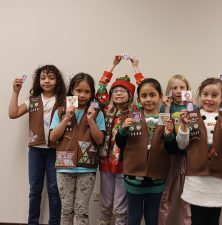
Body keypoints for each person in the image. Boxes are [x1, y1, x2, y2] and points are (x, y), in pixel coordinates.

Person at [177, 78, 222, 225]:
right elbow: (182, 145)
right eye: (205, 94)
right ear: (199, 96)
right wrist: (183, 126)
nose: (209, 99)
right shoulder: (190, 115)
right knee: (197, 220)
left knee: (213, 220)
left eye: (214, 95)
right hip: (196, 178)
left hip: (218, 179)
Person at [115, 78, 179, 225]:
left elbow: (172, 150)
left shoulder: (165, 119)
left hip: (157, 179)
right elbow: (120, 143)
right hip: (133, 178)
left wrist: (169, 135)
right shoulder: (133, 117)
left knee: (152, 217)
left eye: (152, 95)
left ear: (161, 97)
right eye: (144, 96)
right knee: (134, 216)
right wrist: (123, 130)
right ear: (139, 99)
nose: (148, 99)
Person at [8, 65, 66, 225]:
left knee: (55, 190)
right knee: (35, 189)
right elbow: (13, 114)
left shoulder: (64, 100)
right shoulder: (33, 100)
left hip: (56, 150)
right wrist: (15, 92)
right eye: (43, 78)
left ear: (57, 80)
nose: (47, 81)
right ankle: (32, 222)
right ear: (38, 80)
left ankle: (54, 222)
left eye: (51, 77)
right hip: (36, 150)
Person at [49, 73, 105, 225]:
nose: (82, 95)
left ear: (92, 93)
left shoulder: (97, 112)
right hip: (64, 168)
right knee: (66, 211)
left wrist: (91, 120)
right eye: (78, 90)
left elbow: (99, 140)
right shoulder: (61, 111)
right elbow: (53, 138)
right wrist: (66, 118)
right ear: (71, 91)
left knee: (81, 212)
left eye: (87, 92)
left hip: (86, 169)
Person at [96, 55, 144, 225]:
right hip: (105, 163)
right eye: (115, 91)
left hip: (125, 164)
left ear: (130, 95)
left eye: (122, 91)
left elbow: (144, 89)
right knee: (105, 204)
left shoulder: (136, 111)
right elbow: (101, 87)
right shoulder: (105, 109)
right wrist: (113, 65)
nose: (118, 94)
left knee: (120, 206)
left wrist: (136, 68)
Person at [159, 74, 194, 225]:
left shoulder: (193, 107)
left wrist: (192, 107)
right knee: (166, 194)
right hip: (171, 154)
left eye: (182, 87)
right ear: (169, 90)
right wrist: (166, 107)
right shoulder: (166, 107)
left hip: (189, 155)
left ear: (188, 89)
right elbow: (161, 128)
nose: (178, 91)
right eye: (175, 87)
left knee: (188, 195)